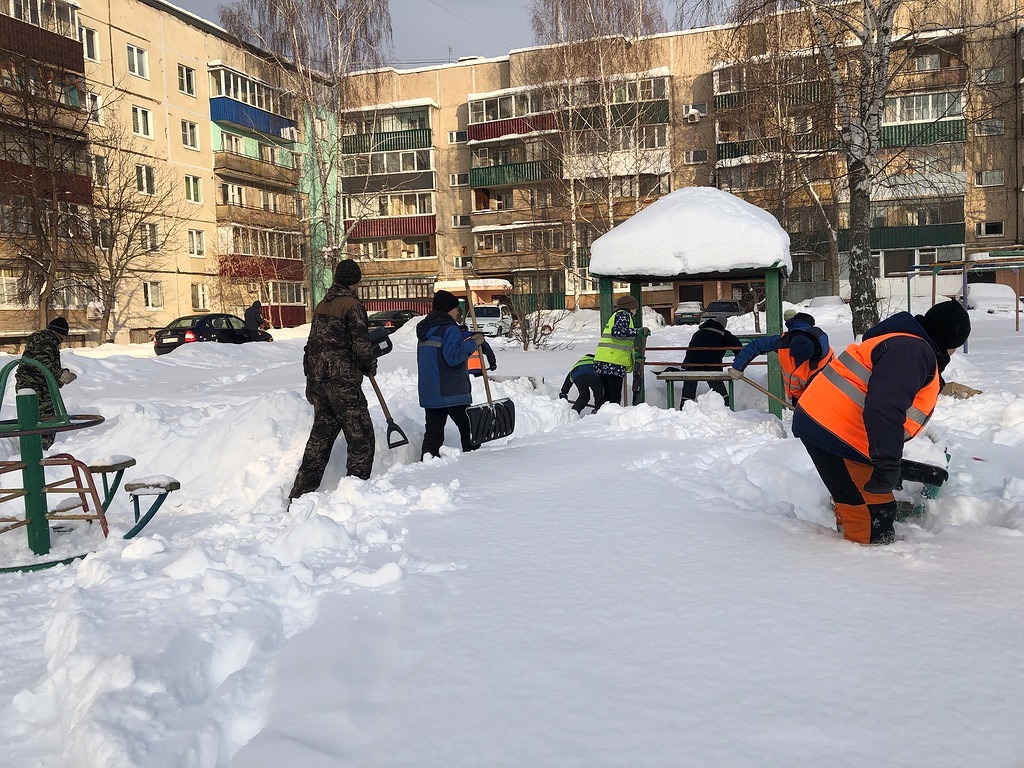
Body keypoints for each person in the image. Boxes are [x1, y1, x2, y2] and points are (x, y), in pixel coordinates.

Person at [793, 299, 971, 545]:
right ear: (951, 341)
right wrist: (887, 462)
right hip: (835, 431)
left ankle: (848, 546)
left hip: (831, 426)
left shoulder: (904, 342)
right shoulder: (912, 350)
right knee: (873, 513)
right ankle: (865, 566)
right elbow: (885, 404)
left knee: (857, 501)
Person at [289, 259, 377, 499]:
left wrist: (311, 379)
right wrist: (370, 365)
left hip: (320, 383)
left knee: (319, 442)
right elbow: (361, 344)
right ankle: (354, 495)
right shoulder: (352, 306)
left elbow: (311, 346)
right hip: (343, 383)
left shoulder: (321, 305)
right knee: (362, 439)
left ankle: (299, 496)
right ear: (356, 281)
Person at [417, 290, 482, 458]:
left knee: (433, 434)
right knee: (469, 427)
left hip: (431, 391)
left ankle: (427, 465)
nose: (457, 312)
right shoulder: (450, 329)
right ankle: (475, 462)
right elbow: (453, 358)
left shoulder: (427, 329)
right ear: (449, 310)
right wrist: (474, 343)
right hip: (450, 390)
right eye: (456, 309)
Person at [727, 310, 834, 404]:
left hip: (821, 399)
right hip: (798, 398)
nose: (793, 359)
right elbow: (756, 345)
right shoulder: (784, 342)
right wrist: (738, 367)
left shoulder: (825, 361)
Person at [15, 316, 75, 450]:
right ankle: (41, 451)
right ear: (61, 333)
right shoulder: (48, 340)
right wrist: (61, 374)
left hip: (27, 383)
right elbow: (41, 363)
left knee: (30, 418)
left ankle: (30, 449)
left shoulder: (39, 338)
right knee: (47, 420)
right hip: (37, 386)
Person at [593, 295, 649, 408]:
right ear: (631, 308)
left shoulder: (616, 315)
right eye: (635, 309)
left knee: (608, 395)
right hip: (613, 363)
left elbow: (620, 343)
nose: (635, 312)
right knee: (614, 397)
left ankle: (597, 415)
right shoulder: (624, 315)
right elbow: (617, 332)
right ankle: (607, 418)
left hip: (602, 361)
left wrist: (634, 355)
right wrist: (637, 331)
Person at [680, 314, 742, 407]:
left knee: (689, 387)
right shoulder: (723, 334)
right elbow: (737, 345)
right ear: (723, 325)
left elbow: (690, 349)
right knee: (718, 386)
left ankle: (685, 408)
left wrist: (686, 364)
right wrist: (739, 359)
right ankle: (726, 406)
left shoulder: (698, 332)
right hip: (712, 366)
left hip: (692, 366)